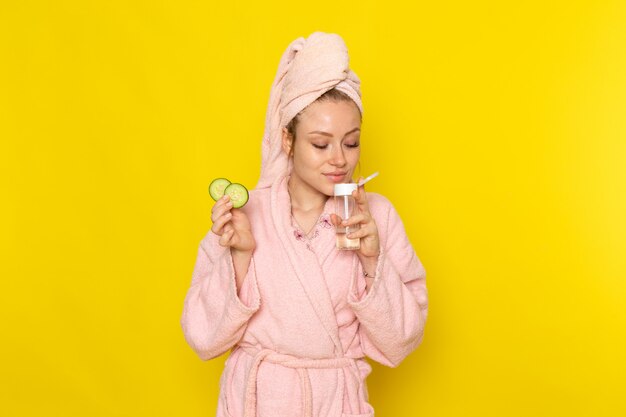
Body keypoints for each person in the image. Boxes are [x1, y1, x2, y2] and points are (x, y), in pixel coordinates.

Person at [181, 32, 428, 417]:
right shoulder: (244, 214)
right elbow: (202, 338)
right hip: (257, 402)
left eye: (351, 142)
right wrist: (240, 258)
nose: (339, 160)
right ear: (288, 140)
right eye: (320, 143)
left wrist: (372, 262)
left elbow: (401, 343)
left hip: (335, 402)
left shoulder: (375, 216)